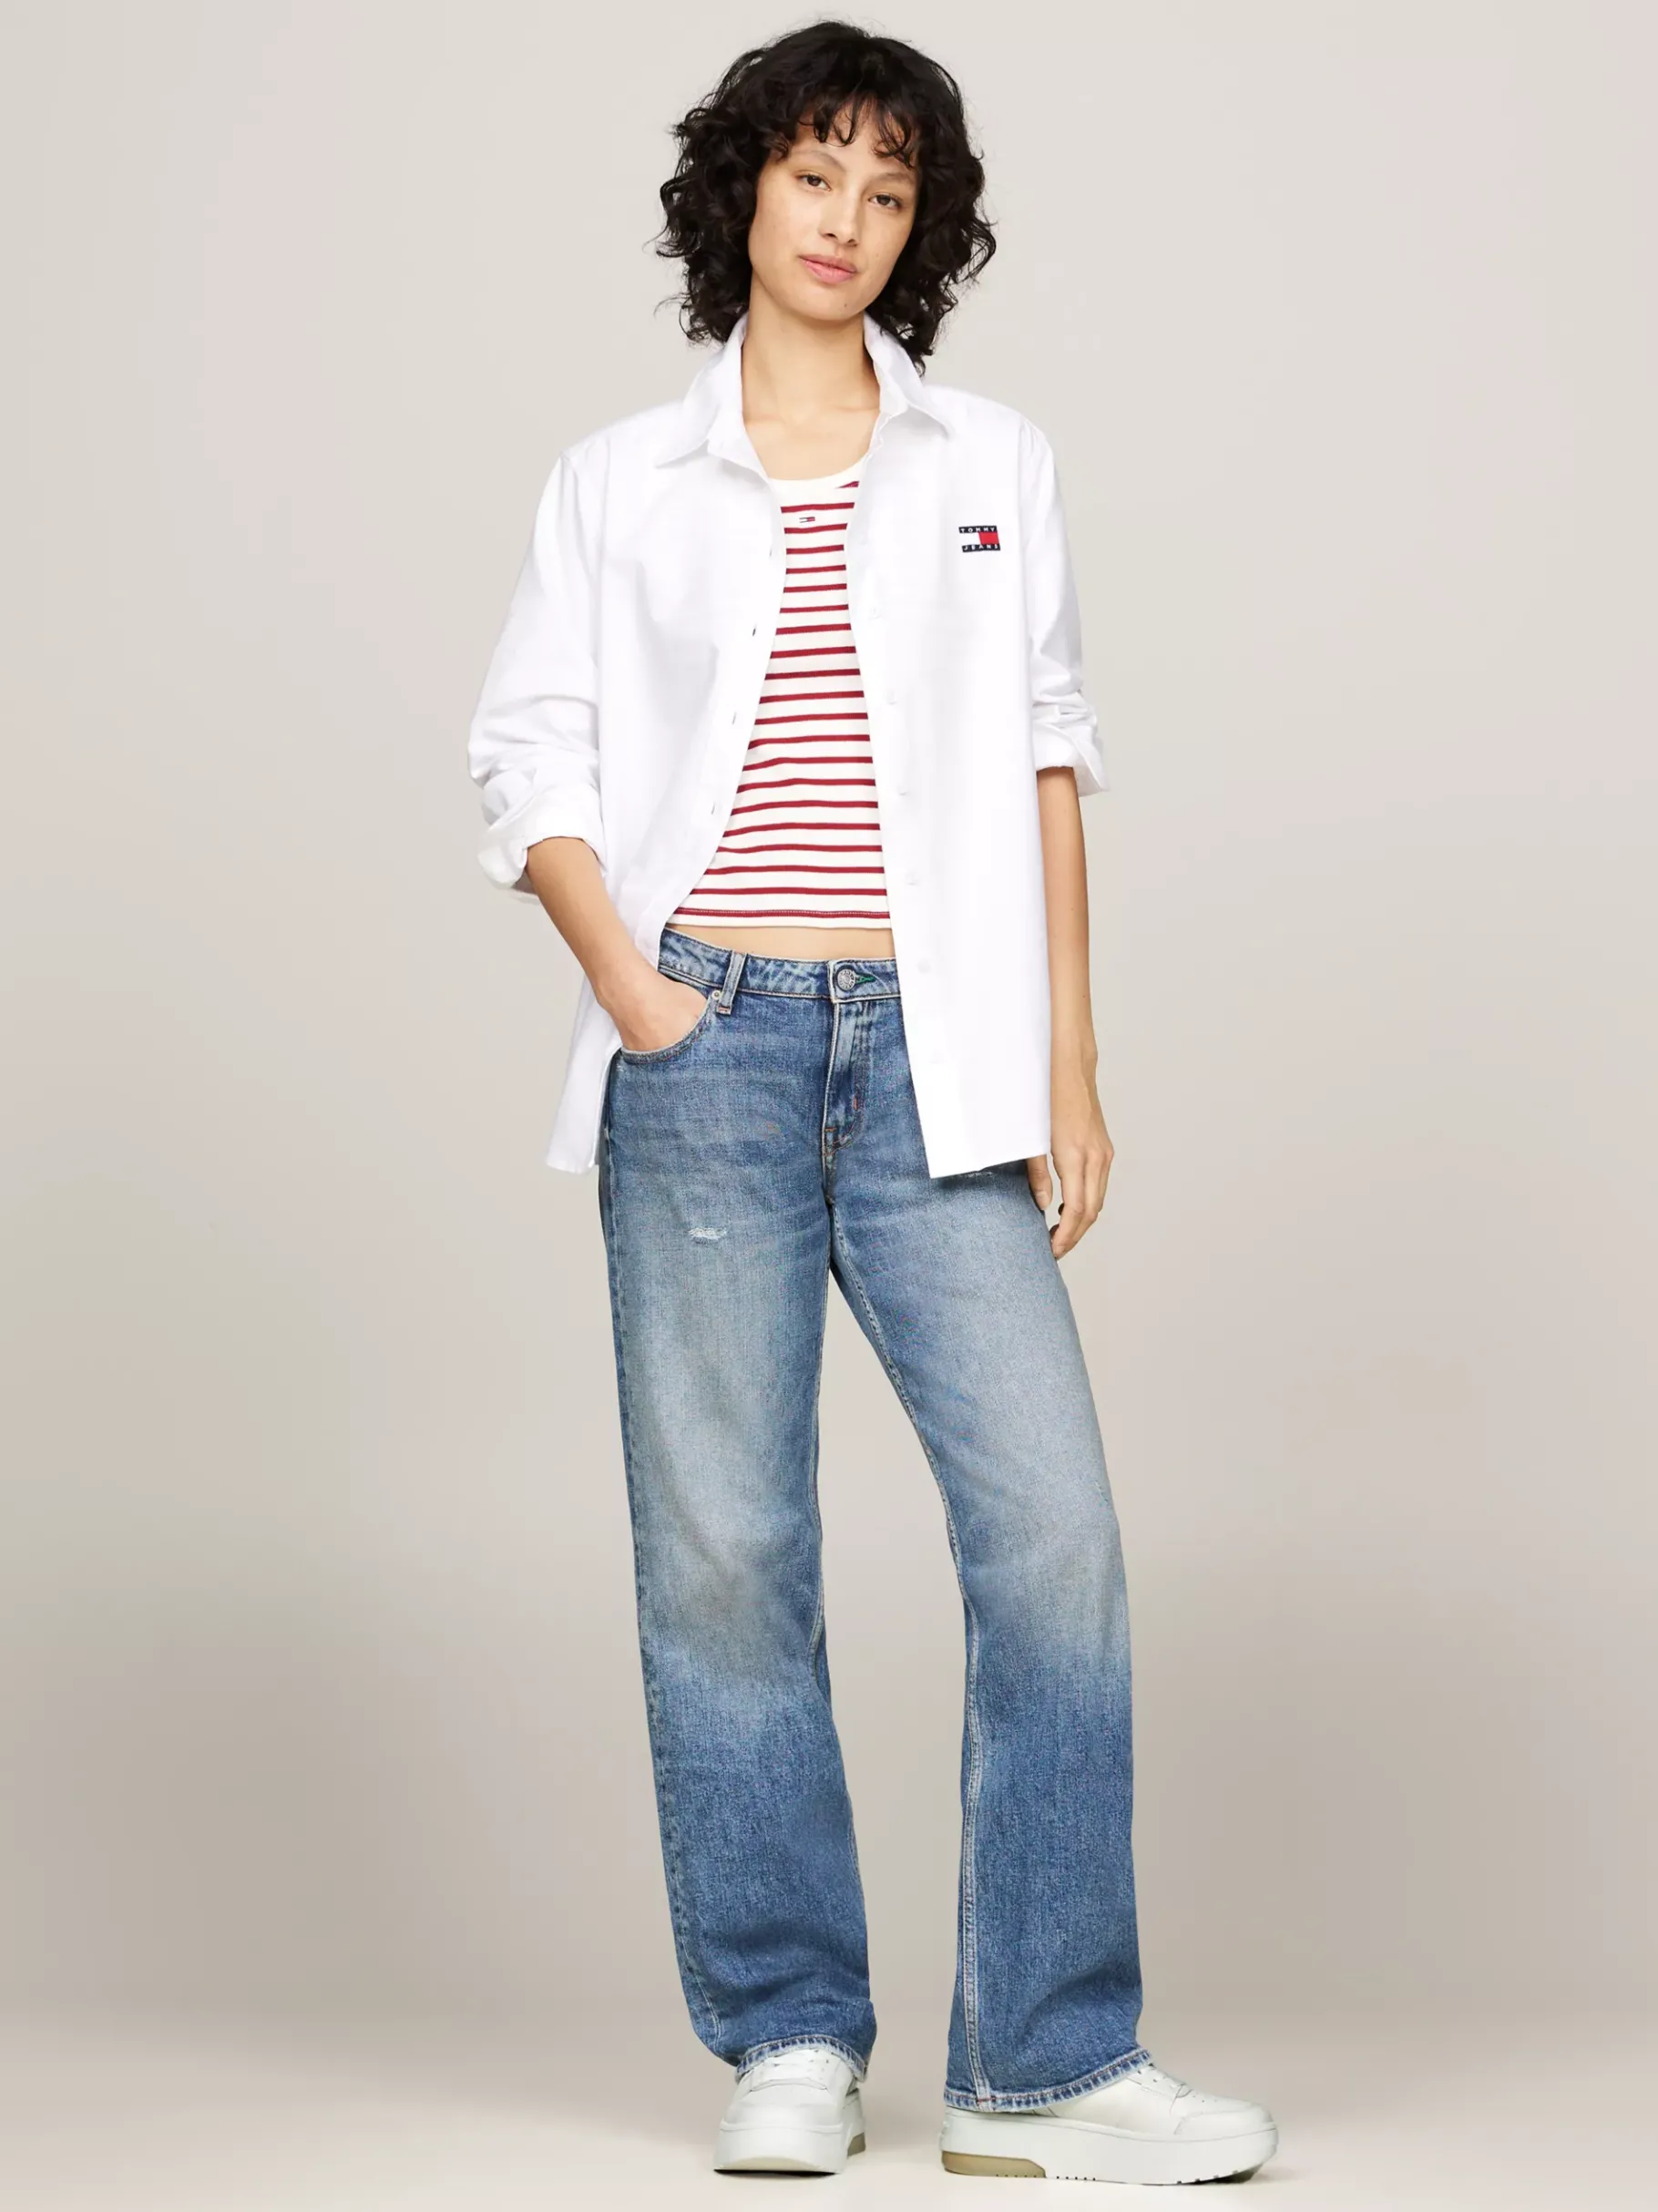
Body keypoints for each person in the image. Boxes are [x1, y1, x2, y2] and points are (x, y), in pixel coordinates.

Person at [466, 19, 1277, 2186]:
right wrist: (634, 989)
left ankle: (1047, 2061)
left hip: (941, 1048)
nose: (846, 220)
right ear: (743, 189)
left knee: (1052, 1537)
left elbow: (1047, 750)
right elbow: (529, 753)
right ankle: (791, 2032)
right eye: (814, 173)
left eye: (890, 191)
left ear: (926, 230)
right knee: (727, 1554)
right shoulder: (618, 480)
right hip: (707, 1044)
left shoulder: (989, 460)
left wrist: (1068, 1057)